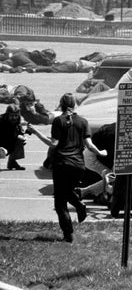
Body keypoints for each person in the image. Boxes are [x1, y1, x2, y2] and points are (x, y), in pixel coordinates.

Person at [28, 94, 107, 243]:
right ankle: (79, 205)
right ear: (75, 105)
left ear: (61, 104)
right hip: (78, 166)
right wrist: (100, 153)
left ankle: (68, 235)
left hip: (62, 165)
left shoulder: (59, 121)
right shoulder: (83, 121)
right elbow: (89, 145)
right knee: (66, 191)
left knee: (60, 202)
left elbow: (53, 144)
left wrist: (36, 132)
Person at [0, 104, 27, 170]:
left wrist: (23, 136)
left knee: (21, 140)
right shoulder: (1, 120)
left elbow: (20, 131)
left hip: (9, 142)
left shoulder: (17, 121)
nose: (14, 118)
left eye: (16, 116)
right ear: (7, 114)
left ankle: (12, 162)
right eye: (12, 116)